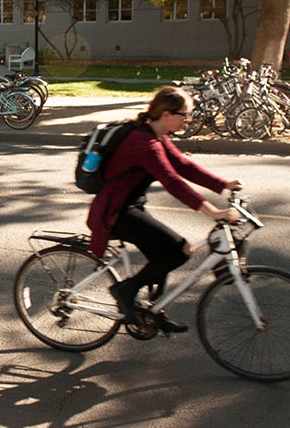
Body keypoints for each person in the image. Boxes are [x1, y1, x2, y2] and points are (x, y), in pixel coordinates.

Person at [86, 86, 242, 332]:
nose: (188, 120)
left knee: (162, 258)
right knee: (178, 251)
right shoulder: (144, 143)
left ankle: (152, 314)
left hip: (128, 206)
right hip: (116, 213)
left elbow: (182, 165)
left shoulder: (156, 135)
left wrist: (223, 184)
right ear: (167, 114)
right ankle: (125, 291)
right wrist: (212, 212)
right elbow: (172, 181)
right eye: (185, 115)